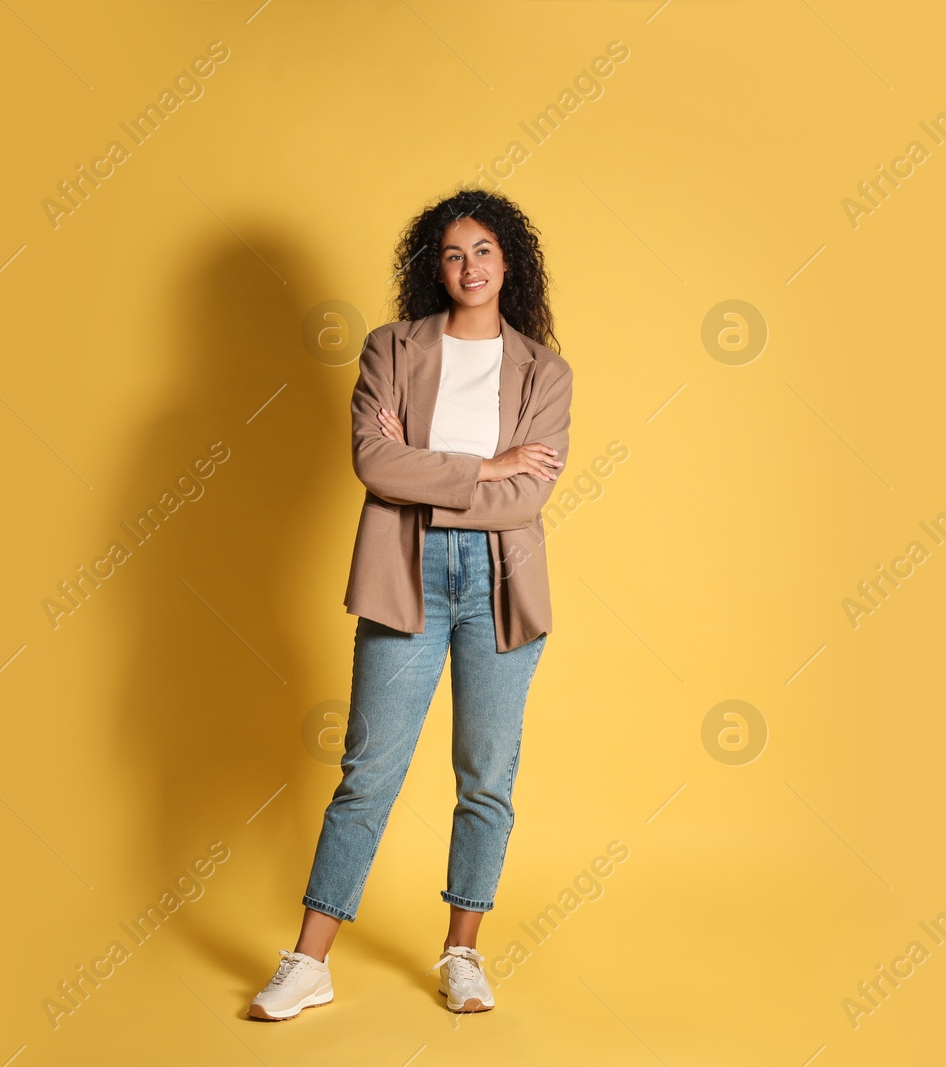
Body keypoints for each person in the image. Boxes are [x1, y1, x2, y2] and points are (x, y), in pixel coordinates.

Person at [249, 189, 574, 1020]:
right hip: (406, 574)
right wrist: (486, 467)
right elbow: (373, 464)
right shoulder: (391, 348)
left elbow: (525, 498)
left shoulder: (546, 370)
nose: (469, 267)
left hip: (503, 584)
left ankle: (462, 952)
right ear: (436, 265)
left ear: (511, 265)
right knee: (368, 773)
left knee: (486, 777)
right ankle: (309, 961)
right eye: (454, 253)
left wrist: (429, 468)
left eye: (485, 252)